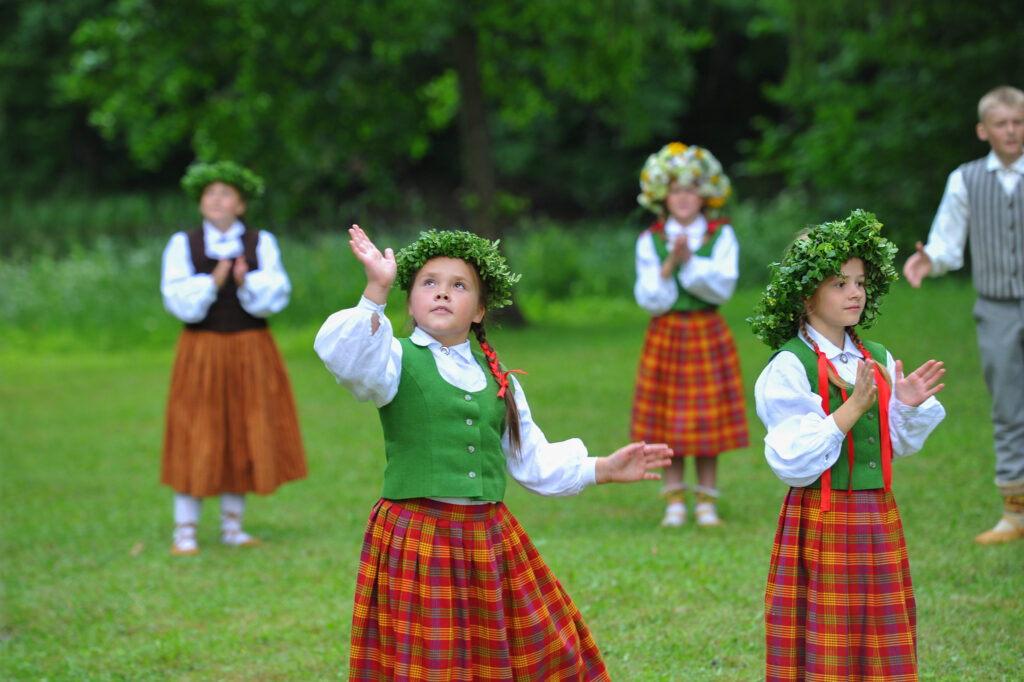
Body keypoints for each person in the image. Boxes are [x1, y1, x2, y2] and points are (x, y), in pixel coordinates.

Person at [314, 225, 673, 680]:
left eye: (458, 286)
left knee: (532, 643)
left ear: (480, 309)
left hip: (488, 537)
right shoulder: (393, 358)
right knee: (433, 660)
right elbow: (349, 363)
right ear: (410, 303)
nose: (442, 294)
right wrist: (375, 289)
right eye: (429, 283)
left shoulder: (500, 378)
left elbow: (532, 460)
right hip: (418, 537)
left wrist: (602, 467)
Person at [750, 210, 947, 681]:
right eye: (839, 284)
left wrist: (907, 406)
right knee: (828, 641)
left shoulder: (874, 357)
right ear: (806, 294)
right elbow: (792, 460)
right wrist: (852, 408)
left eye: (859, 282)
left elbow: (891, 444)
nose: (854, 292)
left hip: (877, 516)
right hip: (822, 517)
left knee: (879, 637)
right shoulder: (790, 366)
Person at [160, 160, 306, 556]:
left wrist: (245, 281)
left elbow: (275, 294)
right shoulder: (182, 244)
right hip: (202, 349)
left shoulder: (262, 242)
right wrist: (213, 281)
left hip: (250, 347)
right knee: (197, 428)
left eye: (225, 193)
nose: (216, 199)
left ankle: (232, 527)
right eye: (209, 193)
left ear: (241, 204)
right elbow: (177, 300)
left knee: (244, 428)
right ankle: (185, 530)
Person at [903, 85, 1024, 545]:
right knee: (1008, 406)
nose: (1011, 131)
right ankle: (1015, 512)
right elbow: (948, 240)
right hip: (995, 308)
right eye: (1002, 123)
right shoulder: (966, 179)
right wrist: (929, 259)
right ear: (983, 130)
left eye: (1018, 122)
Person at [631, 142, 749, 527]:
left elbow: (722, 288)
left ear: (706, 196)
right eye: (677, 190)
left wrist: (689, 262)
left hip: (706, 330)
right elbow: (652, 299)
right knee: (670, 418)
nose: (684, 198)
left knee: (705, 418)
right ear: (664, 195)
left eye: (692, 190)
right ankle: (674, 500)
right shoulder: (650, 240)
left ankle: (707, 500)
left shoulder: (721, 235)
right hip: (666, 334)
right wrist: (670, 263)